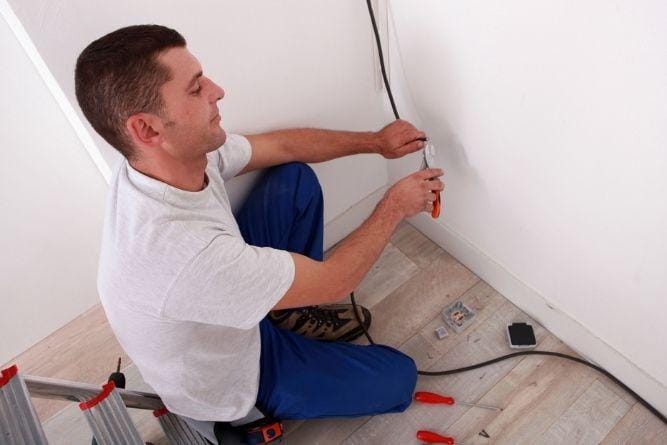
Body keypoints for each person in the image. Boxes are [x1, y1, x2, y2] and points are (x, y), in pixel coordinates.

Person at [75, 24, 444, 426]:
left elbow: (281, 146)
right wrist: (393, 206)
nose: (217, 91)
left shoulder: (160, 162)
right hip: (235, 376)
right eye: (195, 89)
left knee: (293, 180)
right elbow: (338, 280)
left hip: (223, 305)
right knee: (398, 378)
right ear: (147, 129)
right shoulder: (183, 254)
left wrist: (375, 141)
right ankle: (252, 420)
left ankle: (286, 312)